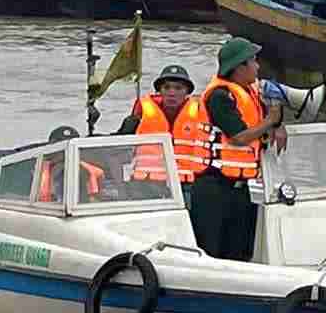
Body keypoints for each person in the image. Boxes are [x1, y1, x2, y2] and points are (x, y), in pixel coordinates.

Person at [174, 37, 285, 261]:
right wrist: (270, 120)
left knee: (239, 252)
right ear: (239, 67)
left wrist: (278, 124)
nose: (257, 66)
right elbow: (239, 138)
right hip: (213, 189)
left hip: (239, 188)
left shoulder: (249, 93)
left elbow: (262, 122)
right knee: (211, 253)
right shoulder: (219, 97)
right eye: (253, 61)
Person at [116, 64, 196, 193]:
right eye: (166, 88)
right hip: (146, 184)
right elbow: (118, 145)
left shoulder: (199, 114)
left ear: (187, 92)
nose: (172, 93)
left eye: (178, 88)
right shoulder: (140, 115)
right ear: (159, 91)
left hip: (186, 185)